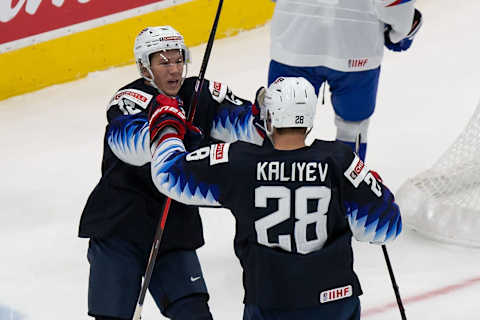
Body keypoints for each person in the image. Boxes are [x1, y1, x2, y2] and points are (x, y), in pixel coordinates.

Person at [147, 77, 402, 319]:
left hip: (271, 303)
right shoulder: (339, 160)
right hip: (335, 301)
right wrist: (376, 190)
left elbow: (168, 174)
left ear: (269, 118)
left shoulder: (239, 161)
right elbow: (387, 228)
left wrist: (168, 124)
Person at [78, 26, 264, 320]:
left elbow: (242, 124)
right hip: (120, 228)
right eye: (164, 62)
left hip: (173, 229)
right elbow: (127, 144)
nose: (174, 69)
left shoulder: (199, 94)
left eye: (178, 60)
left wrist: (262, 116)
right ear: (144, 66)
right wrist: (164, 128)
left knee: (195, 315)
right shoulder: (130, 99)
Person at [268, 0, 423, 160]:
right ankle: (347, 182)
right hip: (355, 49)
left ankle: (281, 180)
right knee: (353, 127)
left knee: (288, 124)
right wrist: (400, 33)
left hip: (293, 42)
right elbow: (393, 5)